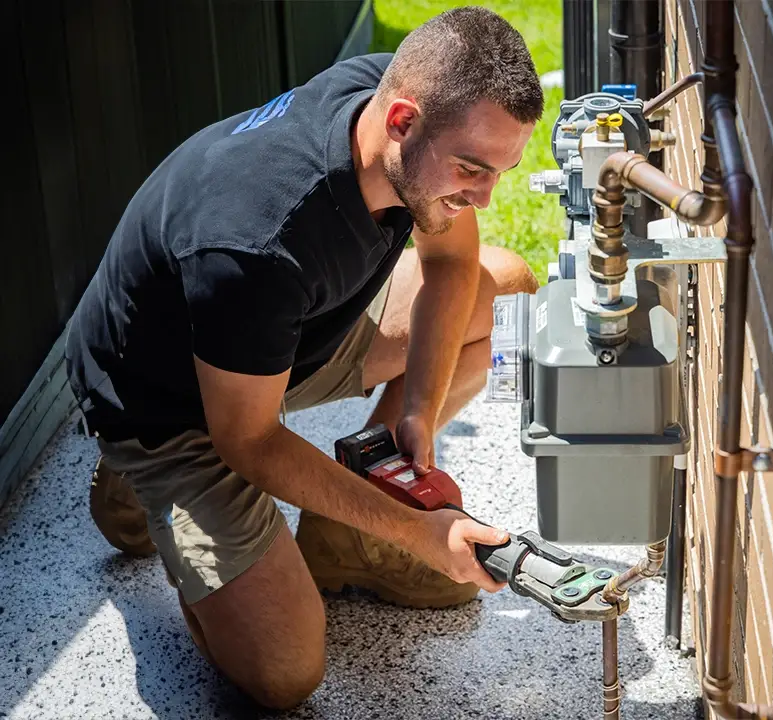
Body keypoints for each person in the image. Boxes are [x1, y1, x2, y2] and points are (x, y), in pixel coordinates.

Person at [64, 7, 543, 709]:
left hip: (286, 338)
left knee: (502, 290)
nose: (483, 196)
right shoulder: (255, 244)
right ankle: (141, 485)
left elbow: (450, 265)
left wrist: (417, 415)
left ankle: (339, 539)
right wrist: (420, 533)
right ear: (403, 121)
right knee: (285, 674)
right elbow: (250, 440)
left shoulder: (401, 100)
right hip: (171, 406)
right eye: (472, 169)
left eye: (499, 171)